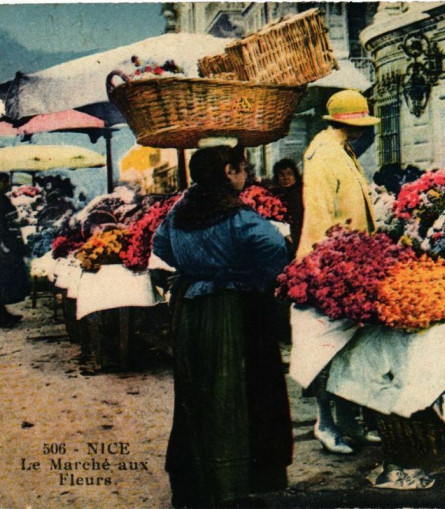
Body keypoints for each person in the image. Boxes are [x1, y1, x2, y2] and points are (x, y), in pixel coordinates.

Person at [152, 146, 292, 508]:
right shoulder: (236, 214)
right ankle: (234, 485)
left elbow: (162, 246)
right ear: (228, 172)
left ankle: (195, 482)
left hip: (188, 310)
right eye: (242, 168)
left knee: (195, 392)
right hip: (228, 308)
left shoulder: (179, 211)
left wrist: (194, 266)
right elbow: (274, 246)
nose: (245, 175)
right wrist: (247, 276)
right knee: (233, 388)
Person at [297, 89, 381, 455]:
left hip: (351, 262)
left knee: (349, 348)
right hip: (329, 269)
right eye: (360, 123)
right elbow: (318, 215)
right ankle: (324, 422)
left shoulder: (342, 149)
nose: (363, 131)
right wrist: (329, 268)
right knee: (324, 350)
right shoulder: (324, 153)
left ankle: (347, 420)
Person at [0, 172, 30, 328]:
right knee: (1, 280)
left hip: (1, 244)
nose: (7, 184)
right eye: (5, 181)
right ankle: (0, 316)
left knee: (1, 281)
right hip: (1, 246)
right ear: (0, 182)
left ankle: (2, 312)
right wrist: (1, 245)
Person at [271, 158, 304, 255]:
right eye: (281, 175)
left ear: (295, 176)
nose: (286, 178)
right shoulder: (275, 196)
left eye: (289, 174)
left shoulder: (302, 193)